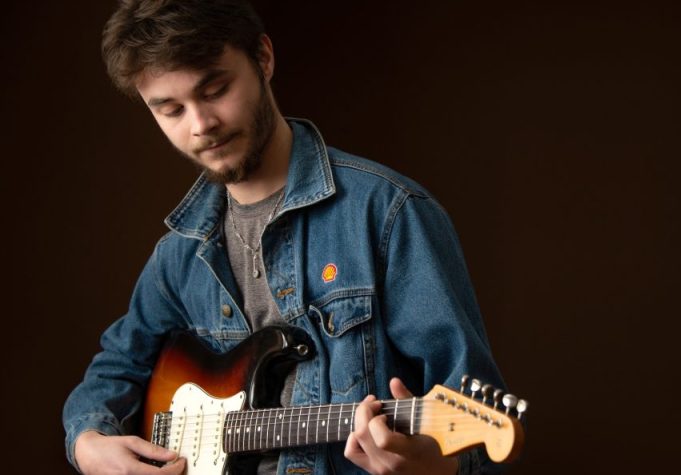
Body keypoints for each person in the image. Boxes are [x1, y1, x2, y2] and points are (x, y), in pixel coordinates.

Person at [63, 1, 507, 474]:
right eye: (170, 109)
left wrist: (437, 467)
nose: (200, 125)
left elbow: (475, 419)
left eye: (215, 89)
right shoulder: (180, 254)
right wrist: (88, 442)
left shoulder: (388, 213)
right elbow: (116, 365)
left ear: (264, 58)